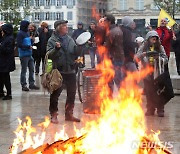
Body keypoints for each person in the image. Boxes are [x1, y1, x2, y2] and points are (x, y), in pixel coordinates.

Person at [47, 20, 81, 124]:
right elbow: (49, 55)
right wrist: (56, 49)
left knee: (71, 94)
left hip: (70, 70)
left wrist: (80, 48)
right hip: (58, 71)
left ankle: (69, 114)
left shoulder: (70, 39)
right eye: (64, 26)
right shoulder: (52, 40)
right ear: (58, 28)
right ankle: (54, 114)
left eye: (67, 26)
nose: (67, 28)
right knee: (55, 94)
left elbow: (75, 53)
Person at [134, 31, 168, 117]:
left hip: (157, 72)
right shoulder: (143, 47)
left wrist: (158, 58)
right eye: (152, 38)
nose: (154, 39)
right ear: (148, 38)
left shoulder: (160, 47)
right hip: (147, 72)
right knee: (149, 92)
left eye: (156, 38)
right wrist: (144, 54)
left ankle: (160, 110)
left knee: (159, 92)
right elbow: (136, 57)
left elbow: (166, 59)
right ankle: (150, 109)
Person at [104, 13, 125, 97]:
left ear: (109, 21)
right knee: (119, 79)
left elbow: (107, 47)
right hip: (119, 56)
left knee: (112, 79)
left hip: (113, 58)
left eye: (105, 21)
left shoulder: (111, 32)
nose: (104, 22)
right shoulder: (118, 29)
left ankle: (110, 97)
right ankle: (124, 97)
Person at [17, 20, 39, 91]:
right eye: (28, 25)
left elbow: (29, 42)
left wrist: (32, 40)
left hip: (29, 53)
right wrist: (27, 46)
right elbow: (19, 44)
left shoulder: (27, 32)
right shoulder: (20, 33)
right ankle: (24, 85)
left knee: (32, 69)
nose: (29, 27)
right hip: (24, 54)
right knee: (24, 70)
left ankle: (31, 84)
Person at [0, 24, 15, 100]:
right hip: (3, 61)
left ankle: (9, 94)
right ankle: (1, 92)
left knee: (6, 78)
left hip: (6, 62)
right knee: (2, 78)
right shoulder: (5, 37)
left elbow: (8, 50)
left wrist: (1, 47)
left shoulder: (9, 38)